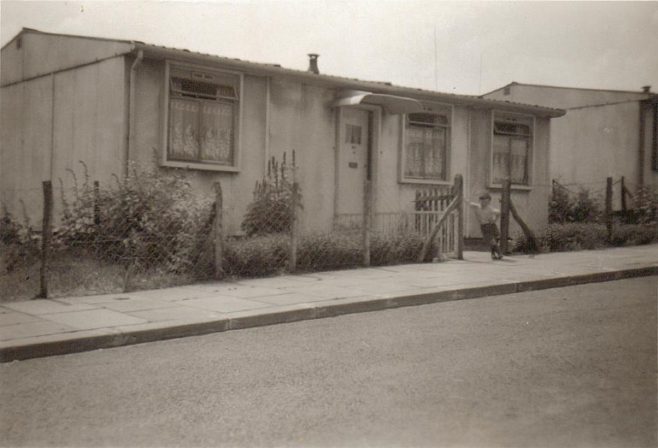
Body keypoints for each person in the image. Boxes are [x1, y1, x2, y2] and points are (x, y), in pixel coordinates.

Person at [469, 192, 503, 260]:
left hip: (491, 225)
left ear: (489, 202)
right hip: (484, 227)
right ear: (479, 201)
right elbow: (468, 203)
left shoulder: (489, 209)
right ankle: (499, 253)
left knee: (494, 240)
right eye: (482, 201)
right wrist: (463, 199)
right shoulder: (477, 207)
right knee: (492, 241)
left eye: (486, 201)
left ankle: (494, 254)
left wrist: (495, 220)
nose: (483, 203)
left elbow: (498, 212)